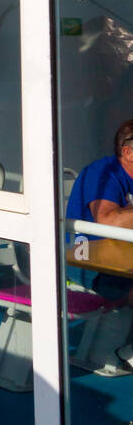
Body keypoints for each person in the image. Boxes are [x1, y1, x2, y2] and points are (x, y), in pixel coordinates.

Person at [67, 119, 133, 302]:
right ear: (128, 152)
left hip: (124, 259)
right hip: (87, 261)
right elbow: (108, 220)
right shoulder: (101, 173)